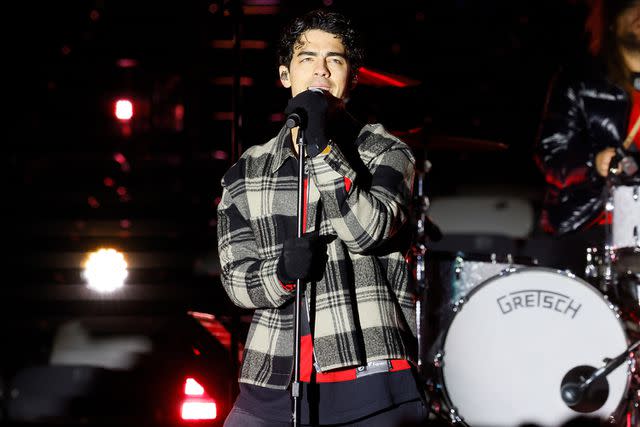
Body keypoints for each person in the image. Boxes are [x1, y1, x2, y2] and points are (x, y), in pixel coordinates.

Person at [216, 8, 427, 427]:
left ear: (352, 77)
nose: (321, 70)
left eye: (336, 59)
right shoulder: (248, 169)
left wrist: (322, 148)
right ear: (284, 74)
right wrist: (280, 275)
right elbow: (234, 279)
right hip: (272, 375)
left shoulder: (385, 152)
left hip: (367, 374)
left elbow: (367, 231)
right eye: (307, 58)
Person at [534, 0, 640, 275]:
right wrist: (594, 163)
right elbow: (551, 155)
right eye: (631, 3)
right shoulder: (578, 81)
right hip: (587, 225)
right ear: (611, 19)